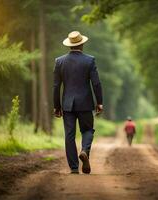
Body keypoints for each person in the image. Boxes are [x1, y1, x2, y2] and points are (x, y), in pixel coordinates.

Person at [53, 31, 103, 174]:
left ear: (69, 45)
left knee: (69, 135)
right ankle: (85, 151)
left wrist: (57, 106)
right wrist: (99, 102)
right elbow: (96, 83)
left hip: (67, 104)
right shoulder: (90, 60)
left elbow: (56, 86)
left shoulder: (59, 61)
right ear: (82, 44)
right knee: (87, 130)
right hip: (85, 103)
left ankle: (74, 168)